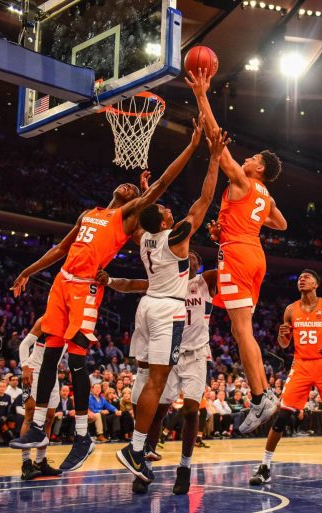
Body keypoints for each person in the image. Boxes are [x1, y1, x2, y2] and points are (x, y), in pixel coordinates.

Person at [9, 118, 204, 472]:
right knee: (50, 356)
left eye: (135, 190)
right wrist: (27, 271)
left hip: (86, 286)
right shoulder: (89, 213)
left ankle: (83, 435)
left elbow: (161, 186)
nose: (129, 185)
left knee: (77, 360)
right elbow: (59, 249)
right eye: (127, 185)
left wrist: (191, 147)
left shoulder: (126, 218)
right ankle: (38, 427)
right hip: (62, 282)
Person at [114, 126, 225, 487]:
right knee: (157, 384)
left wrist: (144, 194)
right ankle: (135, 448)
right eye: (164, 209)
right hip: (167, 310)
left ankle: (141, 453)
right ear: (165, 222)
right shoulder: (174, 238)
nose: (168, 209)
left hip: (145, 306)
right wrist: (213, 157)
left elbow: (135, 216)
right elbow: (204, 200)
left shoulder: (142, 238)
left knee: (148, 380)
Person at [187, 69, 288, 434]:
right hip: (253, 252)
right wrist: (243, 225)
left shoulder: (244, 180)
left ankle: (260, 398)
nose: (245, 159)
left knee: (241, 330)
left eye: (252, 158)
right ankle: (264, 397)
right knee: (238, 326)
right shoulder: (267, 196)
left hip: (238, 254)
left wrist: (201, 95)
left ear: (258, 167)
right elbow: (281, 224)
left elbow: (216, 138)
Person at [98, 249, 217, 495]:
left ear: (200, 265)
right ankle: (143, 465)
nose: (191, 258)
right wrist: (109, 280)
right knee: (157, 412)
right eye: (188, 256)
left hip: (196, 355)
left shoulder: (205, 281)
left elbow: (233, 268)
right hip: (169, 353)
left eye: (195, 257)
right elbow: (131, 284)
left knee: (192, 410)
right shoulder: (165, 283)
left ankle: (184, 468)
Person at [249, 269, 322, 488]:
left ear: (316, 284)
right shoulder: (290, 310)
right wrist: (283, 337)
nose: (302, 279)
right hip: (300, 365)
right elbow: (284, 345)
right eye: (300, 277)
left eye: (307, 277)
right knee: (281, 418)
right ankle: (265, 467)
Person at [10, 318, 64, 480]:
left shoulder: (73, 322)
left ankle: (40, 462)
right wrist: (25, 366)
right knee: (30, 415)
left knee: (49, 418)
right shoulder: (46, 319)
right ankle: (26, 464)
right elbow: (24, 344)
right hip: (33, 370)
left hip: (52, 372)